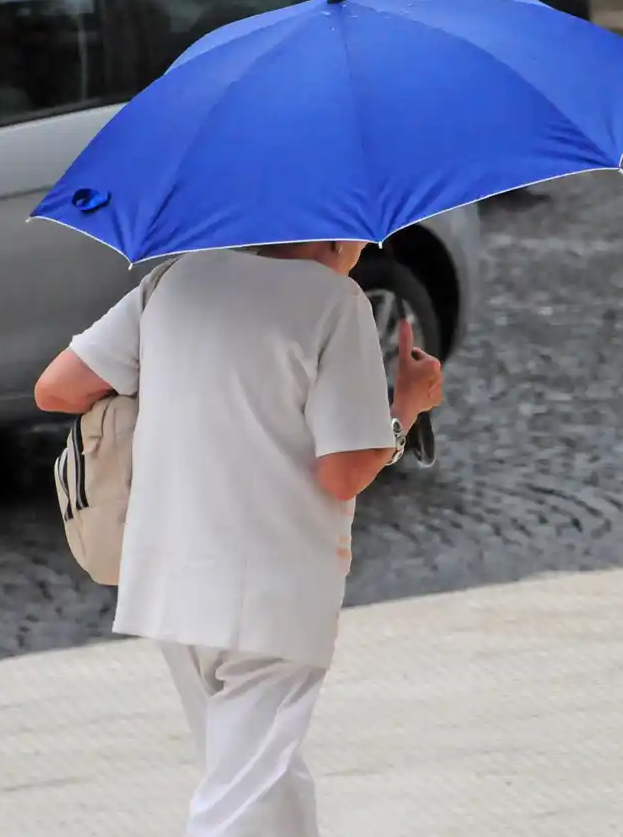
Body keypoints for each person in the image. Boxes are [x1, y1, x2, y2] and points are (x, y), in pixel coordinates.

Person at [32, 240, 443, 837]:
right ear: (333, 231)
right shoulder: (334, 303)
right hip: (272, 585)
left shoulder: (176, 280)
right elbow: (344, 471)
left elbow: (57, 388)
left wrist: (190, 384)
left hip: (170, 571)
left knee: (264, 779)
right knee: (243, 794)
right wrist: (405, 407)